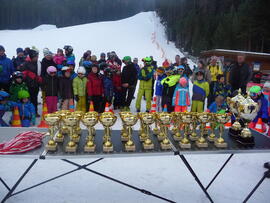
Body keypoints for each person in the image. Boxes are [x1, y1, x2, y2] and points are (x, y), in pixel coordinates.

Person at [21, 49, 42, 117]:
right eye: (35, 57)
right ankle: (27, 113)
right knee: (28, 99)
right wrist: (28, 74)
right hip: (28, 84)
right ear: (31, 57)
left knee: (34, 99)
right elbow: (23, 74)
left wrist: (39, 78)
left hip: (36, 84)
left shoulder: (39, 63)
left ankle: (35, 112)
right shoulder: (26, 63)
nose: (36, 58)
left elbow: (40, 72)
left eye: (37, 56)